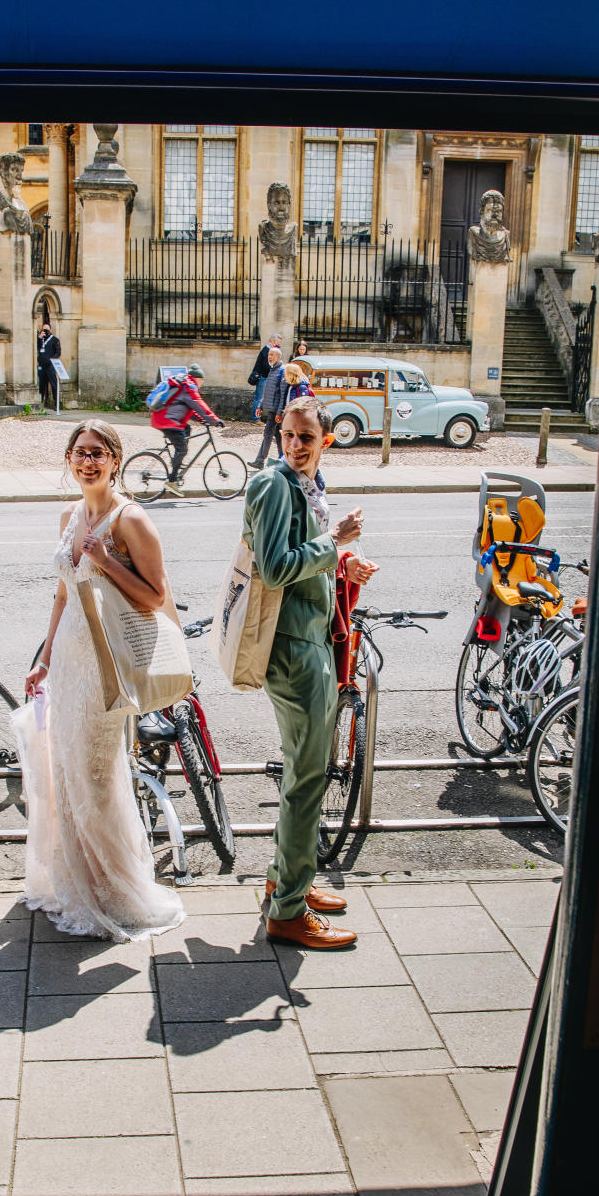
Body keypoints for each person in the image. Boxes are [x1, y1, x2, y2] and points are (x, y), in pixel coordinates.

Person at [13, 420, 184, 941]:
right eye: (79, 453)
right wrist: (44, 657)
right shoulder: (69, 515)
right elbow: (64, 594)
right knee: (64, 769)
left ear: (115, 459)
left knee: (96, 777)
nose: (88, 462)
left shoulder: (131, 519)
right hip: (68, 661)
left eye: (98, 453)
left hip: (106, 664)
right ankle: (76, 881)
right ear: (70, 459)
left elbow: (155, 597)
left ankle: (117, 891)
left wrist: (106, 559)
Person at [244, 398, 378, 949]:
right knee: (306, 781)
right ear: (281, 433)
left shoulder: (306, 487)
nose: (297, 447)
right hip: (295, 651)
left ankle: (286, 882)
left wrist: (340, 564)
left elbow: (300, 559)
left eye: (307, 438)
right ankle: (289, 911)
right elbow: (275, 568)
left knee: (307, 774)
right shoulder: (276, 485)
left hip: (309, 641)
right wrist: (335, 544)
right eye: (290, 435)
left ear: (327, 440)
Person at [150, 363, 224, 497]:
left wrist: (203, 420)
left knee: (187, 429)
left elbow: (190, 409)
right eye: (202, 380)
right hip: (167, 421)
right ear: (197, 378)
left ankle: (177, 461)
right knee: (182, 449)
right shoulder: (189, 386)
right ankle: (172, 481)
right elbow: (199, 404)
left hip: (165, 419)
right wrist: (215, 420)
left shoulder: (184, 385)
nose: (202, 382)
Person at [254, 346, 287, 467]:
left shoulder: (282, 371)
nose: (269, 357)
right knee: (278, 435)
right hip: (272, 408)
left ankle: (260, 460)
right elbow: (268, 391)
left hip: (275, 410)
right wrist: (260, 406)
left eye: (272, 355)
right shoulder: (272, 370)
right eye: (269, 355)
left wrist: (279, 412)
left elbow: (282, 395)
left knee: (267, 434)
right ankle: (283, 459)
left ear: (278, 357)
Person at [248, 334, 280, 421]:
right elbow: (267, 366)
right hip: (263, 378)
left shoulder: (267, 350)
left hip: (264, 377)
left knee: (260, 398)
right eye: (278, 344)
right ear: (273, 342)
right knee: (259, 399)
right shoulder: (267, 351)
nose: (279, 346)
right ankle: (256, 419)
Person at [37, 319, 61, 407]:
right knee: (41, 385)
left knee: (54, 385)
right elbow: (36, 347)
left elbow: (58, 352)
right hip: (41, 366)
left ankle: (57, 404)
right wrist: (39, 338)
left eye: (47, 329)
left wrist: (51, 359)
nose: (45, 331)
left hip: (50, 366)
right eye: (44, 329)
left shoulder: (55, 340)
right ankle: (41, 403)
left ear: (50, 330)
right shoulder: (40, 339)